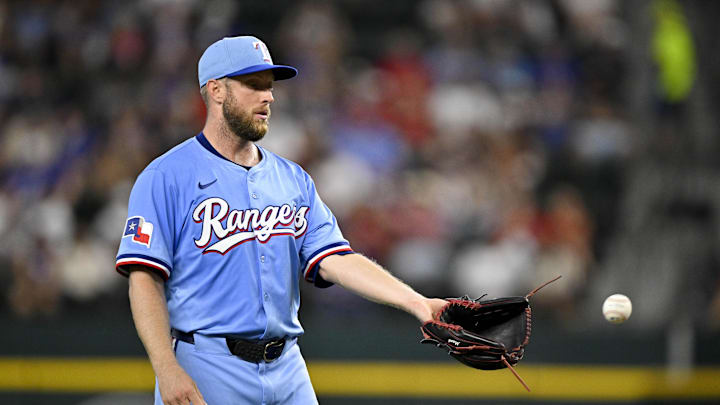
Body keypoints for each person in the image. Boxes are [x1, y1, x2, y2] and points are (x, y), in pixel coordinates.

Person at [115, 35, 447, 405]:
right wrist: (167, 368)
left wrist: (416, 302)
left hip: (288, 365)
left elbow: (336, 258)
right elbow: (144, 278)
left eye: (270, 87)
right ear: (216, 90)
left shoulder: (292, 179)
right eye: (253, 85)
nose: (268, 96)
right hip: (207, 364)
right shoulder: (166, 175)